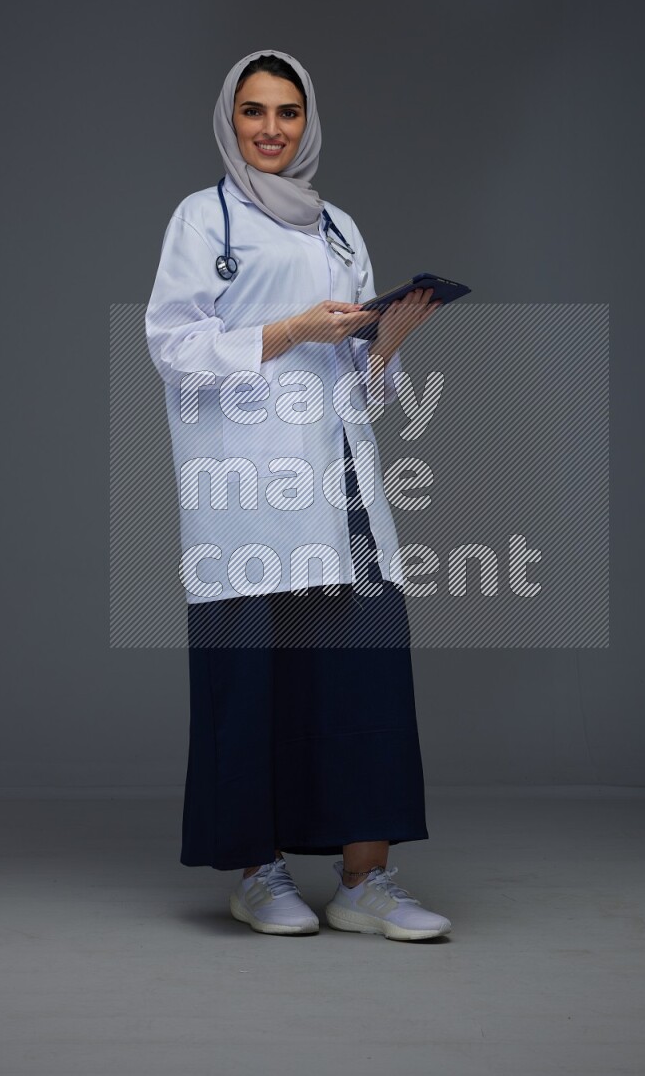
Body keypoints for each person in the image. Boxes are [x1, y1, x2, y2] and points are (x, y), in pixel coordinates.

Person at [145, 49, 452, 942]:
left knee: (366, 670)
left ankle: (367, 881)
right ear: (229, 119)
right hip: (244, 483)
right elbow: (173, 346)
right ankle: (258, 872)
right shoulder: (202, 221)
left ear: (307, 121)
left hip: (340, 481)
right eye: (254, 111)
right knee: (251, 677)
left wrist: (384, 344)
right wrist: (289, 330)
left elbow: (359, 381)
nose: (271, 129)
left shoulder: (340, 229)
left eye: (287, 112)